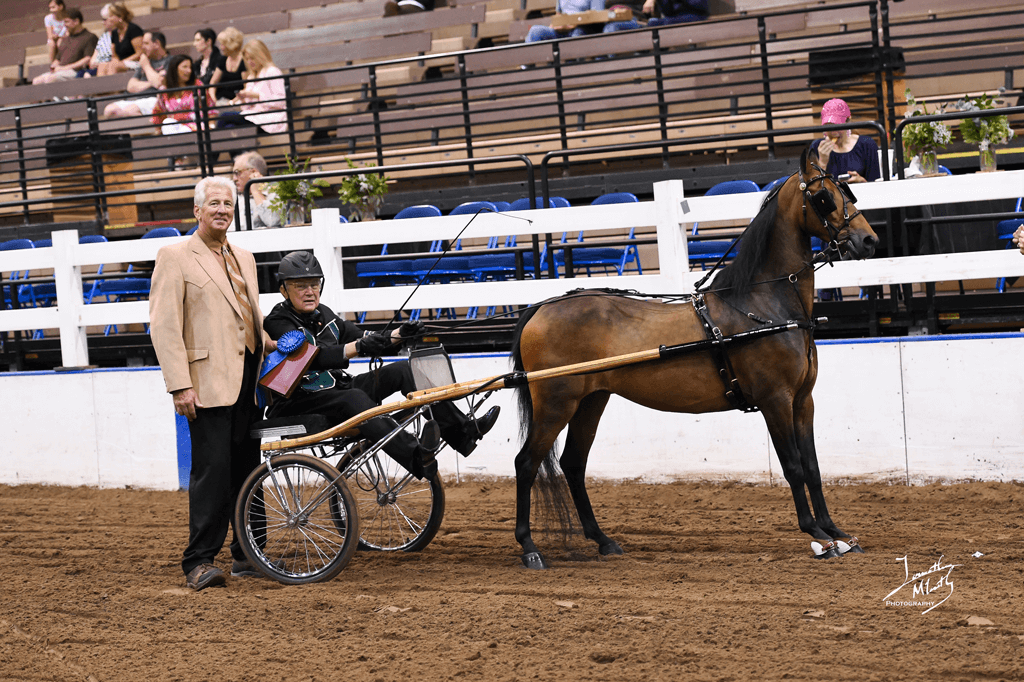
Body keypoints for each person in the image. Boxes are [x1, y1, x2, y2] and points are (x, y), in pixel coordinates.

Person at [263, 251, 501, 473]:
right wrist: (357, 347)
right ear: (284, 290)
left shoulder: (325, 314)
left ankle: (463, 433)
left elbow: (365, 338)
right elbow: (312, 357)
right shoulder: (277, 321)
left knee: (403, 370)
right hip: (299, 400)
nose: (310, 292)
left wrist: (400, 334)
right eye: (300, 286)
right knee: (353, 397)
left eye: (314, 285)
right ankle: (416, 456)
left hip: (336, 390)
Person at [149, 176, 276, 591]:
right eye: (214, 203)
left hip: (249, 380)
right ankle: (199, 560)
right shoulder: (174, 256)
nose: (222, 209)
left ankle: (248, 554)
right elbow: (164, 327)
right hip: (205, 383)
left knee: (248, 469)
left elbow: (246, 315)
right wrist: (179, 385)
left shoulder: (245, 257)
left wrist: (271, 341)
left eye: (228, 203)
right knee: (213, 471)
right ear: (197, 210)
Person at [218, 40, 286, 134]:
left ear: (261, 56)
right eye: (247, 59)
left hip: (270, 117)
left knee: (224, 116)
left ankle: (212, 143)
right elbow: (247, 107)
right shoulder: (251, 76)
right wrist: (243, 99)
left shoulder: (272, 72)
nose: (249, 62)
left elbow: (281, 101)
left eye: (252, 58)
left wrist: (257, 96)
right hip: (254, 116)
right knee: (230, 127)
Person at [809, 98, 880, 184]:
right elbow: (812, 187)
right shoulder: (817, 147)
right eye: (828, 127)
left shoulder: (867, 145)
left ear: (848, 121)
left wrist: (861, 181)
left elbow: (876, 185)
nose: (833, 132)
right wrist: (822, 163)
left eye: (837, 126)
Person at [103, 31, 170, 120]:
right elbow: (130, 87)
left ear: (157, 44)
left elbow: (159, 83)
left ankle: (151, 123)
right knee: (109, 110)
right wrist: (151, 82)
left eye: (146, 43)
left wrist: (146, 66)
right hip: (133, 99)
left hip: (152, 99)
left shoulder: (170, 61)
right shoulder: (146, 61)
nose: (143, 47)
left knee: (126, 111)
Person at [151, 54, 217, 135]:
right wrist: (158, 131)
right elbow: (158, 112)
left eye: (190, 67)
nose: (189, 70)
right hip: (175, 128)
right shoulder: (165, 90)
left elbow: (210, 108)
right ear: (174, 69)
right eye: (185, 67)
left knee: (184, 130)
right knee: (167, 122)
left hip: (196, 127)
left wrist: (211, 125)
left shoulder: (197, 85)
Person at [32, 8, 97, 84]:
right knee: (36, 81)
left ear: (76, 21)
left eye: (67, 22)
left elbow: (87, 58)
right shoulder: (65, 39)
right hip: (60, 71)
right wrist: (54, 66)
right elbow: (58, 59)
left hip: (76, 72)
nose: (64, 25)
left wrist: (64, 68)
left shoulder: (89, 37)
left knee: (50, 79)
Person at [525, 0, 640, 43]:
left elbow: (597, 17)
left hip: (584, 30)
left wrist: (573, 25)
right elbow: (558, 14)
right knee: (536, 31)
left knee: (578, 33)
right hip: (563, 30)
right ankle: (526, 69)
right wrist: (556, 25)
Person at [231, 151, 281, 230]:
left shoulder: (275, 194)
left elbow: (272, 222)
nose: (234, 179)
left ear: (253, 172)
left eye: (237, 173)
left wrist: (256, 192)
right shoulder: (236, 199)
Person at [98, 2, 143, 76]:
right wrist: (116, 61)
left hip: (136, 62)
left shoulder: (133, 29)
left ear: (120, 17)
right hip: (121, 63)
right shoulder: (114, 33)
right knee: (102, 65)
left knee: (114, 66)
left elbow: (139, 53)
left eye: (111, 16)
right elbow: (114, 55)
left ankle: (113, 83)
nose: (108, 19)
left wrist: (122, 62)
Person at [208, 26, 247, 106]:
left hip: (238, 102)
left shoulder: (244, 61)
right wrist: (213, 99)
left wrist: (231, 102)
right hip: (221, 101)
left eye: (222, 44)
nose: (220, 47)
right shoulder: (223, 60)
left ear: (230, 45)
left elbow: (247, 88)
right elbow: (213, 83)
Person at [82, 4, 115, 78]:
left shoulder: (118, 35)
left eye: (105, 20)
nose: (103, 22)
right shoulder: (104, 36)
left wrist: (100, 63)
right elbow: (96, 52)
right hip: (97, 66)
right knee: (80, 74)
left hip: (108, 65)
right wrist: (92, 62)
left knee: (88, 75)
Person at [642, 0, 708, 26]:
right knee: (652, 23)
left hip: (695, 15)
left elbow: (700, 5)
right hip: (673, 19)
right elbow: (667, 12)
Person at [44, 0, 68, 65]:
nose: (51, 10)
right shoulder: (48, 18)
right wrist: (55, 36)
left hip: (65, 38)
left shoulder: (67, 16)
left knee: (60, 42)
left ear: (61, 6)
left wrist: (61, 37)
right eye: (50, 8)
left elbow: (68, 33)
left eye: (53, 7)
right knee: (51, 44)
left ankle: (63, 63)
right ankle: (52, 65)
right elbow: (50, 35)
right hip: (53, 39)